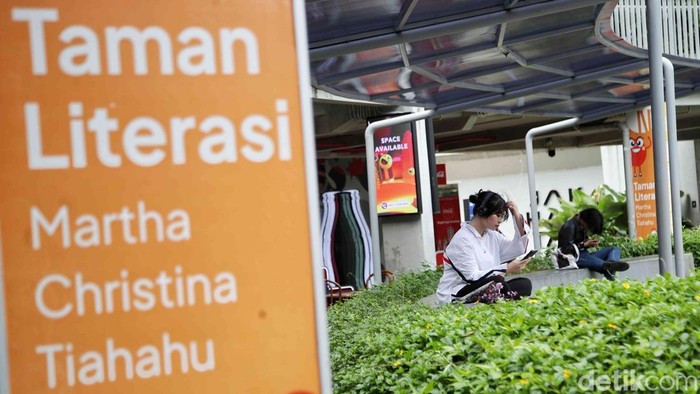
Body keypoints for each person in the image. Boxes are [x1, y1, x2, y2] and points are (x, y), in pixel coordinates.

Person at [436, 190, 533, 305]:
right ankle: (507, 303)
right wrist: (507, 268)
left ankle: (503, 300)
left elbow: (518, 248)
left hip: (485, 288)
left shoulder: (492, 235)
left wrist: (516, 215)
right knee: (497, 280)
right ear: (483, 211)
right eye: (498, 215)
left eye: (502, 216)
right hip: (456, 294)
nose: (500, 221)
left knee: (524, 284)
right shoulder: (462, 240)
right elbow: (473, 278)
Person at [557, 207, 629, 280]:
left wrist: (589, 244)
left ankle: (611, 262)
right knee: (605, 267)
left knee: (614, 249)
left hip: (585, 254)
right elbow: (566, 250)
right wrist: (584, 245)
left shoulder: (581, 225)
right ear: (583, 220)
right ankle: (609, 269)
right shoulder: (569, 226)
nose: (588, 229)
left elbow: (580, 244)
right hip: (575, 258)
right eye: (588, 226)